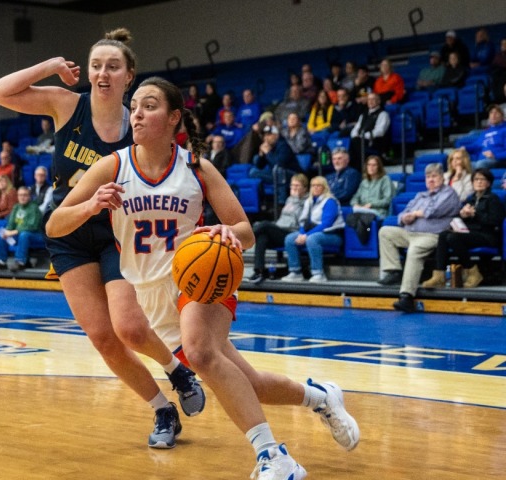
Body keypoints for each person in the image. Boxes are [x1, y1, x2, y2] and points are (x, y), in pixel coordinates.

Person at [47, 76, 359, 478]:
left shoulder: (196, 167)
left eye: (149, 106)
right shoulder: (113, 165)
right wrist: (90, 205)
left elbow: (244, 230)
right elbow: (55, 224)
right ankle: (320, 397)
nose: (137, 114)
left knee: (199, 351)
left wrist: (226, 233)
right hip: (150, 296)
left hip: (198, 279)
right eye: (135, 106)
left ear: (174, 117)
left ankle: (274, 458)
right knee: (248, 383)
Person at [0, 28, 207, 446]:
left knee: (128, 327)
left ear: (129, 75)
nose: (103, 73)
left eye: (113, 66)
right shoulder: (66, 104)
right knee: (102, 338)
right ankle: (162, 409)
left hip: (116, 232)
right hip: (69, 227)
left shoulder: (138, 122)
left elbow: (169, 167)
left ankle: (177, 369)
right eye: (96, 66)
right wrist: (51, 66)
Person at [377, 163, 460, 313]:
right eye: (428, 177)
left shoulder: (449, 193)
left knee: (414, 251)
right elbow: (403, 213)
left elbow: (434, 211)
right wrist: (405, 218)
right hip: (410, 233)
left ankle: (406, 296)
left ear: (442, 178)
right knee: (385, 231)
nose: (431, 180)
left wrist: (415, 214)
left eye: (434, 176)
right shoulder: (421, 195)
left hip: (432, 235)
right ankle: (394, 271)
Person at [422, 168, 505, 289]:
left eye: (482, 179)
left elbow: (495, 221)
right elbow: (457, 217)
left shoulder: (493, 199)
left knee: (453, 237)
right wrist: (462, 215)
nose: (479, 182)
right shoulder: (470, 199)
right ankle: (439, 275)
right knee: (444, 234)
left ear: (489, 183)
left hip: (487, 235)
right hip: (470, 233)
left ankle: (472, 271)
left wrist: (475, 214)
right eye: (476, 179)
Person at [281, 175, 345, 283]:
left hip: (332, 235)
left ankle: (318, 273)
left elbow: (326, 224)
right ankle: (295, 272)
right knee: (290, 238)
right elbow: (303, 221)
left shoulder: (330, 201)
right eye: (313, 185)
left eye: (318, 185)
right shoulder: (309, 201)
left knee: (312, 239)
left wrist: (306, 235)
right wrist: (301, 234)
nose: (315, 188)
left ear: (324, 187)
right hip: (312, 233)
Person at [249, 173, 309, 284]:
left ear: (305, 188)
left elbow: (301, 220)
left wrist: (296, 199)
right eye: (292, 186)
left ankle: (245, 240)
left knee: (265, 225)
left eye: (297, 186)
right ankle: (259, 271)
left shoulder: (307, 202)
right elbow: (282, 219)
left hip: (292, 232)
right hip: (280, 229)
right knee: (262, 237)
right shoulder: (289, 200)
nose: (294, 188)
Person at [0, 186, 44, 272]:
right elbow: (10, 224)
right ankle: (1, 261)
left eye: (25, 195)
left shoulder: (34, 208)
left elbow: (32, 226)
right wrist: (7, 231)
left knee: (24, 234)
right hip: (20, 235)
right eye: (20, 195)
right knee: (3, 235)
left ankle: (20, 262)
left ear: (29, 196)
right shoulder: (16, 207)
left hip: (36, 236)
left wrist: (13, 232)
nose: (22, 197)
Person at [346, 155, 394, 243]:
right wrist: (355, 204)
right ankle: (362, 236)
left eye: (374, 165)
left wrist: (372, 204)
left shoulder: (385, 179)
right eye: (369, 165)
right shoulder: (364, 182)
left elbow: (388, 200)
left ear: (379, 167)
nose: (371, 167)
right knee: (350, 218)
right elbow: (354, 198)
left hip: (378, 211)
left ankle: (364, 239)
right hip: (362, 210)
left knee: (363, 220)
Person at [249, 125, 300, 204]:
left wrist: (268, 153)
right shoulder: (269, 147)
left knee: (278, 171)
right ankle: (263, 203)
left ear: (276, 135)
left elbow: (279, 164)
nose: (266, 138)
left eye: (269, 135)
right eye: (265, 135)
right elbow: (259, 166)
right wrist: (261, 155)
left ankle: (281, 203)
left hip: (292, 174)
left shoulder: (283, 146)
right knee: (253, 171)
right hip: (276, 174)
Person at [350, 93, 391, 170]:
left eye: (373, 99)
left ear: (378, 101)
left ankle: (359, 168)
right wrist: (356, 135)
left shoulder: (383, 114)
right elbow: (355, 129)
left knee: (356, 143)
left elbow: (380, 131)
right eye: (369, 99)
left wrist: (363, 136)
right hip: (360, 141)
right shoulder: (363, 115)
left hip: (374, 143)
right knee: (352, 141)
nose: (370, 101)